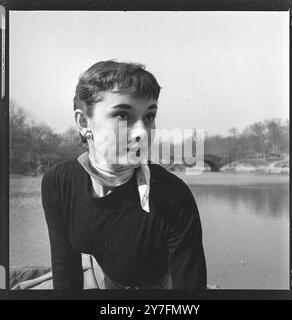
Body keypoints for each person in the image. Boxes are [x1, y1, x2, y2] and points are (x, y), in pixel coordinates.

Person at [41, 60, 207, 290]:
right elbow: (66, 273)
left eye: (149, 116)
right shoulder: (59, 182)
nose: (141, 132)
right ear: (83, 121)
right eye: (122, 115)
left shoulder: (174, 195)